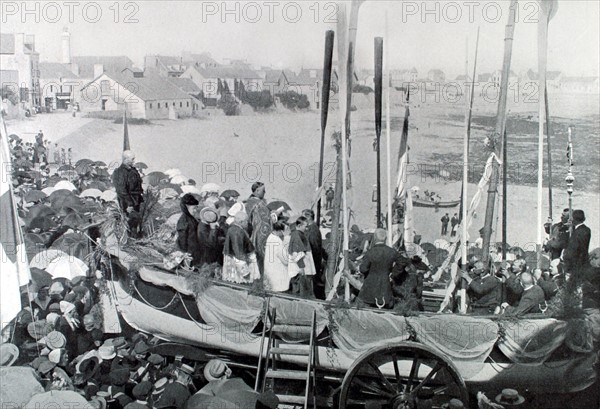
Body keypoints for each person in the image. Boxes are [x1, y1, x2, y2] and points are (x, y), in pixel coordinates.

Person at [357, 229, 407, 309]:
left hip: (369, 288)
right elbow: (403, 262)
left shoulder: (370, 252)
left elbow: (363, 269)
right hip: (385, 287)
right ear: (386, 238)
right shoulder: (391, 251)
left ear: (375, 238)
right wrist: (393, 274)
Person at [222, 212, 260, 284]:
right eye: (246, 221)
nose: (247, 223)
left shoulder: (234, 229)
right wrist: (244, 271)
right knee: (241, 281)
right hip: (238, 262)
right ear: (241, 222)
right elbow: (238, 251)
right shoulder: (237, 232)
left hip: (235, 259)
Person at [245, 182, 273, 274]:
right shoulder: (253, 202)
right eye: (263, 190)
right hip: (259, 234)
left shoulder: (260, 202)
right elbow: (249, 220)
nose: (265, 192)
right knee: (260, 258)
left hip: (265, 233)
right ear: (257, 191)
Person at [288, 216, 317, 298]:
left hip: (304, 267)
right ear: (299, 225)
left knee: (304, 289)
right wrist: (301, 268)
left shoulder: (300, 234)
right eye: (305, 226)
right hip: (301, 268)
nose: (307, 228)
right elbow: (296, 253)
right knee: (300, 290)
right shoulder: (296, 235)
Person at [112, 150, 144, 215]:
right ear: (126, 159)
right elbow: (121, 190)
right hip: (127, 204)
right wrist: (130, 204)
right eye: (132, 159)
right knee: (130, 222)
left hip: (136, 201)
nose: (134, 161)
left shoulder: (133, 170)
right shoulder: (119, 172)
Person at [562, 209, 591, 277]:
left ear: (574, 219)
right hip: (583, 261)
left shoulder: (577, 232)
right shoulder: (586, 229)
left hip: (576, 263)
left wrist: (565, 257)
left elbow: (573, 248)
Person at [302, 209, 324, 296]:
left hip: (313, 261)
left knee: (312, 283)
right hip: (312, 260)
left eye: (303, 217)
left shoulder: (313, 231)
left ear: (308, 217)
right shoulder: (311, 228)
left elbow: (314, 248)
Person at [263, 221, 290, 292]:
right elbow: (285, 260)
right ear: (281, 231)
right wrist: (287, 238)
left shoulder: (270, 236)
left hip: (270, 270)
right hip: (278, 273)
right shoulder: (277, 241)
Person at [176, 194, 202, 266]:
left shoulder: (192, 218)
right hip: (189, 252)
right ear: (186, 207)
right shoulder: (184, 220)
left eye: (196, 208)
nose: (195, 210)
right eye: (193, 208)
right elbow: (182, 239)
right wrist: (184, 252)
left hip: (195, 249)